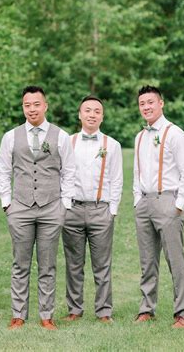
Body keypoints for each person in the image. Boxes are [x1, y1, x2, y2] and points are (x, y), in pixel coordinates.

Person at [0, 85, 75, 330]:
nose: (31, 109)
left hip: (51, 207)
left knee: (47, 264)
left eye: (36, 104)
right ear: (23, 107)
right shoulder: (11, 136)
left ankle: (46, 315)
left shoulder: (60, 136)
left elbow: (69, 172)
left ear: (45, 106)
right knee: (20, 263)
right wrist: (7, 203)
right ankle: (18, 314)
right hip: (20, 207)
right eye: (27, 105)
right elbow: (2, 171)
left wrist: (64, 205)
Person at [133, 85, 184, 329]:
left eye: (150, 102)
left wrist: (178, 206)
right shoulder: (140, 136)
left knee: (175, 261)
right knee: (147, 261)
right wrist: (137, 199)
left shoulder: (175, 133)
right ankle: (147, 309)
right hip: (145, 203)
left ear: (161, 103)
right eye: (142, 104)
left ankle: (183, 313)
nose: (146, 107)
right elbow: (137, 172)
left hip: (169, 201)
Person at [62, 96, 123, 324]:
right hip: (73, 210)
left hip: (101, 210)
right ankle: (75, 309)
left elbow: (116, 180)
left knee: (102, 264)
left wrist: (112, 210)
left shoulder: (112, 145)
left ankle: (104, 311)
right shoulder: (67, 143)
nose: (92, 114)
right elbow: (61, 176)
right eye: (87, 110)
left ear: (102, 116)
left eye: (97, 111)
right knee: (74, 264)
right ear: (79, 114)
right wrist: (65, 206)